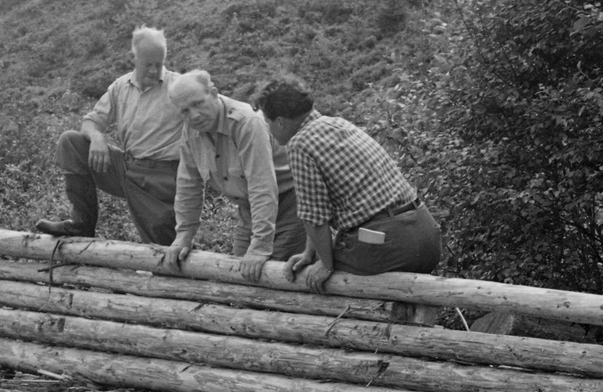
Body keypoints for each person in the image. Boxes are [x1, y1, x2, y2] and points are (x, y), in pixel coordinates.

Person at [252, 75, 442, 293]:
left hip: (387, 242)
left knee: (315, 285)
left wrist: (325, 263)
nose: (269, 130)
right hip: (425, 233)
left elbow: (314, 217)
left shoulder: (299, 144)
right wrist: (310, 252)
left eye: (268, 123)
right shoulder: (338, 124)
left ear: (280, 122)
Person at [36, 25, 182, 246]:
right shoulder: (120, 87)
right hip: (126, 169)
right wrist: (97, 138)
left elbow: (211, 110)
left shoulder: (178, 86)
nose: (154, 70)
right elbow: (91, 121)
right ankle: (82, 224)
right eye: (147, 64)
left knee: (163, 251)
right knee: (71, 142)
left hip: (161, 179)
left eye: (158, 64)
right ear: (134, 58)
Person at [163, 70, 307, 282]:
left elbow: (262, 187)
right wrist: (184, 234)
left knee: (275, 279)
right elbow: (188, 185)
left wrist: (259, 247)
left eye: (198, 104)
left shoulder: (247, 123)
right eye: (184, 111)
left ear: (213, 93)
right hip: (249, 210)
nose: (194, 115)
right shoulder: (191, 131)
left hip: (290, 206)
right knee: (239, 275)